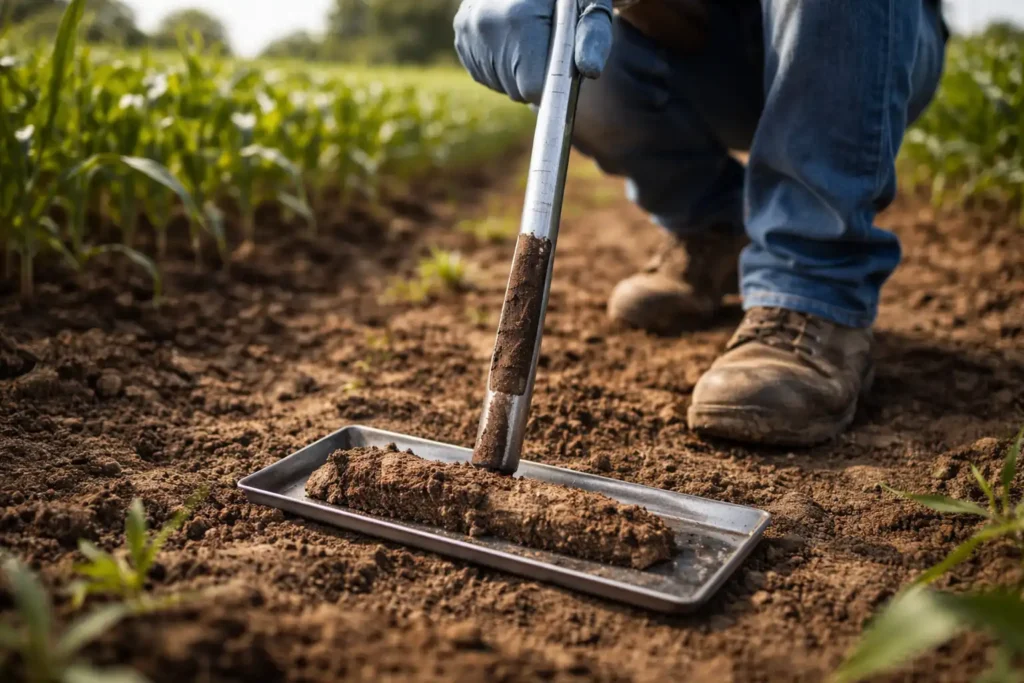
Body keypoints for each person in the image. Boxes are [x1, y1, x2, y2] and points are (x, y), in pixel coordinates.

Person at [452, 0, 948, 446]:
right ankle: (714, 228)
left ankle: (812, 283)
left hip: (865, 34)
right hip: (708, 42)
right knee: (570, 31)